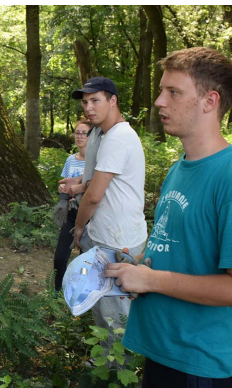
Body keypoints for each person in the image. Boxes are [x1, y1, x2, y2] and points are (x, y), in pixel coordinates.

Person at [105, 47, 232, 388]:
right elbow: (176, 247)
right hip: (163, 347)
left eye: (174, 92)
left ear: (210, 101)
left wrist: (151, 280)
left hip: (200, 361)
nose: (159, 102)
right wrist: (138, 263)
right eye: (162, 90)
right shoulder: (182, 167)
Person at [70, 77, 147, 357]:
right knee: (104, 308)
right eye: (85, 102)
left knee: (116, 317)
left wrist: (79, 228)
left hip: (116, 242)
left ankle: (117, 374)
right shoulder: (105, 134)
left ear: (113, 100)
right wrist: (79, 185)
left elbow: (94, 196)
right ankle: (106, 365)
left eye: (95, 100)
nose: (88, 107)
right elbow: (102, 182)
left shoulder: (117, 138)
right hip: (111, 235)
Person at [52, 119, 92, 293]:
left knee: (86, 259)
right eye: (77, 132)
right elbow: (63, 184)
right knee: (60, 257)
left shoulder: (96, 162)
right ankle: (56, 292)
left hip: (90, 216)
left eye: (84, 133)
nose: (80, 136)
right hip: (71, 214)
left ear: (92, 136)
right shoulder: (70, 160)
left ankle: (82, 293)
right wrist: (62, 189)